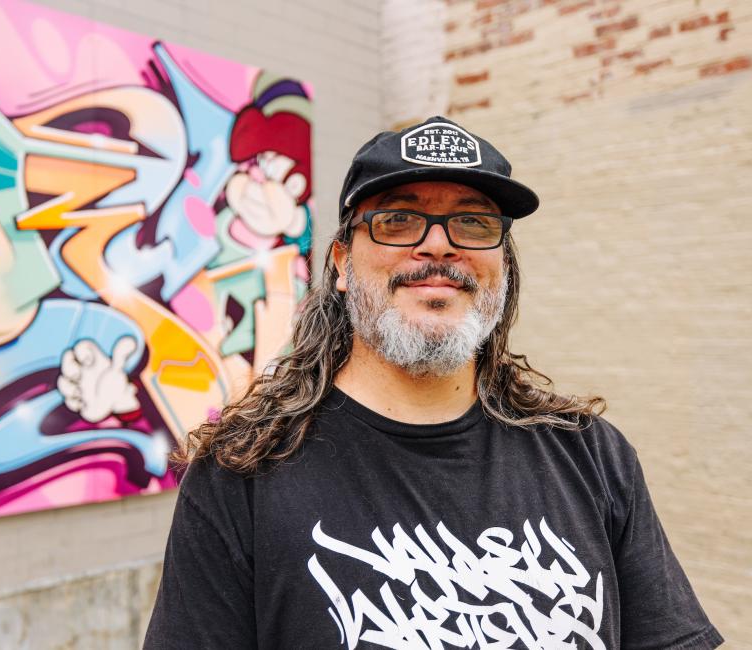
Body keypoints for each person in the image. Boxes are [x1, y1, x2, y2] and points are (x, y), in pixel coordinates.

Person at [143, 116, 723, 649]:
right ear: (343, 263)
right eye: (399, 219)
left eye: (472, 221)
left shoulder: (592, 455)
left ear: (502, 264)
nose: (439, 244)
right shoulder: (243, 474)